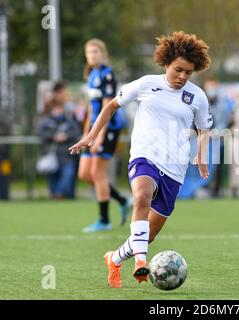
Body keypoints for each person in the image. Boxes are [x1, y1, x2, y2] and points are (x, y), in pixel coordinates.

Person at [69, 31, 212, 287]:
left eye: (188, 72)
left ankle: (114, 258)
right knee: (142, 195)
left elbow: (204, 128)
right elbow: (112, 105)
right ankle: (140, 264)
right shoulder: (146, 84)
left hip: (175, 167)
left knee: (150, 234)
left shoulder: (197, 96)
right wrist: (91, 136)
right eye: (178, 69)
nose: (182, 76)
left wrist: (201, 155)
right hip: (144, 156)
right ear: (166, 62)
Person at [79, 39, 132, 233]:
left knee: (97, 173)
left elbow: (107, 106)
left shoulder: (108, 74)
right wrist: (86, 132)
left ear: (103, 54)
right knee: (84, 173)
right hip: (93, 129)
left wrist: (99, 135)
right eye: (89, 52)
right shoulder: (91, 75)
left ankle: (104, 220)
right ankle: (122, 200)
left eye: (96, 52)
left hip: (107, 129)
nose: (92, 55)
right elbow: (90, 108)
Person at [37, 81, 81, 199]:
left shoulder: (69, 115)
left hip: (67, 153)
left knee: (68, 176)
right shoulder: (46, 117)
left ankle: (61, 195)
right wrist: (53, 136)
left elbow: (76, 131)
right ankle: (56, 196)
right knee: (53, 179)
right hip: (51, 153)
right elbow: (41, 132)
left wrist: (65, 136)